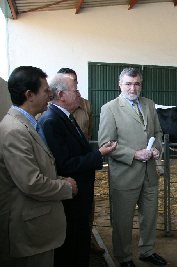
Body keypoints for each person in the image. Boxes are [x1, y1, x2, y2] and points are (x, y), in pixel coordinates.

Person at [0, 66, 77, 267]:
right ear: (29, 95)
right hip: (28, 231)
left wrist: (59, 179)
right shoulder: (14, 131)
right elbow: (31, 183)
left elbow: (39, 169)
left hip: (37, 226)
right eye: (45, 91)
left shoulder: (27, 124)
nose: (50, 94)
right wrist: (66, 187)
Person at [39, 73, 116, 267]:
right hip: (71, 196)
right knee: (71, 244)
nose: (80, 95)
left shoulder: (65, 116)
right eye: (76, 90)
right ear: (62, 95)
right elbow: (65, 164)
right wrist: (99, 154)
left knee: (80, 239)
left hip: (80, 193)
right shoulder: (51, 121)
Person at [98, 68, 167, 267]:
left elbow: (158, 132)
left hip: (150, 173)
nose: (132, 88)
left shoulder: (149, 104)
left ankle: (147, 251)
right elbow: (106, 143)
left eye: (136, 83)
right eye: (128, 84)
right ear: (120, 84)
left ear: (141, 84)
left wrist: (156, 149)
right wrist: (134, 154)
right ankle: (124, 257)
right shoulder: (110, 108)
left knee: (150, 216)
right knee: (122, 220)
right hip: (125, 174)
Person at [56, 68, 104, 255]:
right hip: (67, 166)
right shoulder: (52, 113)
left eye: (75, 82)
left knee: (87, 206)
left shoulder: (86, 105)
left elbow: (88, 131)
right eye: (71, 84)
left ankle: (88, 239)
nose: (76, 89)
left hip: (84, 162)